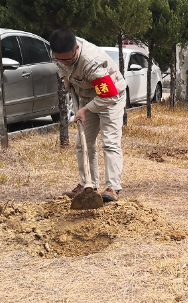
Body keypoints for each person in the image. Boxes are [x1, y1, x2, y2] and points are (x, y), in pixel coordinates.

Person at [50, 29, 127, 203]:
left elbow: (109, 95)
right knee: (82, 143)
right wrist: (66, 78)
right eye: (59, 59)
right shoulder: (57, 54)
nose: (65, 63)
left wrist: (84, 110)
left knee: (110, 142)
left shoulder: (91, 62)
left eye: (68, 59)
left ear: (76, 49)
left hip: (111, 96)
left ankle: (112, 187)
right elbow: (60, 68)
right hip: (86, 95)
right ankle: (88, 185)